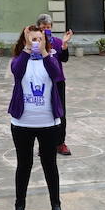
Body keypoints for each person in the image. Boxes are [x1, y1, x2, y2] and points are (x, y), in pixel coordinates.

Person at [9, 25, 65, 210]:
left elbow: (56, 75)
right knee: (24, 165)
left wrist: (43, 52)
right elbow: (17, 72)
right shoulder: (19, 60)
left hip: (48, 123)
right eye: (32, 39)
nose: (35, 42)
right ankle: (20, 207)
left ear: (45, 41)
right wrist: (26, 49)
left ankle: (56, 205)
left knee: (50, 165)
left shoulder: (50, 59)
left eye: (39, 39)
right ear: (24, 41)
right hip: (22, 123)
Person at [35, 14, 74, 156]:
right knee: (43, 113)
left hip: (57, 83)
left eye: (48, 27)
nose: (46, 29)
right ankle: (43, 146)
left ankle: (60, 143)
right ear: (38, 28)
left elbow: (64, 59)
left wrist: (64, 45)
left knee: (60, 113)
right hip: (41, 84)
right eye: (43, 27)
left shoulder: (57, 41)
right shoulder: (35, 44)